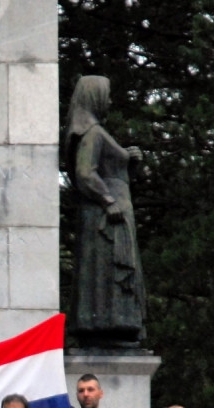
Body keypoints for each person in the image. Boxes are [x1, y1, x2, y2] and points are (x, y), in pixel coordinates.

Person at [64, 75, 147, 347]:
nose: (110, 101)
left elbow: (110, 171)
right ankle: (106, 325)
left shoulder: (98, 132)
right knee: (106, 272)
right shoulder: (93, 133)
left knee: (110, 272)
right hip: (107, 217)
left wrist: (128, 161)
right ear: (95, 97)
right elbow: (85, 173)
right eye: (106, 95)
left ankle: (113, 323)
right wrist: (108, 200)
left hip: (112, 211)